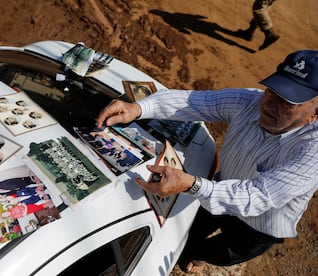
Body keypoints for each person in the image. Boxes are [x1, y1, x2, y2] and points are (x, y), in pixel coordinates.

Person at [96, 50, 318, 273]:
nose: (270, 104)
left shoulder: (313, 153)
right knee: (189, 231)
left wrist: (191, 184)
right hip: (218, 189)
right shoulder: (249, 101)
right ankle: (187, 250)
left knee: (227, 252)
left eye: (288, 102)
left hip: (260, 223)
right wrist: (138, 108)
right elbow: (194, 102)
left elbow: (256, 196)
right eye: (273, 91)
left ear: (314, 114)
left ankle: (201, 257)